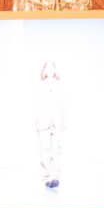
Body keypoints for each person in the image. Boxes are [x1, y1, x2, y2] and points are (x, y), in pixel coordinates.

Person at [33, 61, 65, 189]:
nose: (50, 72)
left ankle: (54, 177)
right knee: (44, 151)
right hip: (43, 123)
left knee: (56, 151)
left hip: (56, 123)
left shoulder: (60, 86)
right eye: (47, 68)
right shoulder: (38, 87)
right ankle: (47, 178)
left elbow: (64, 105)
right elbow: (35, 105)